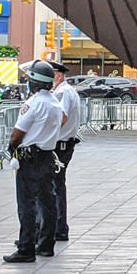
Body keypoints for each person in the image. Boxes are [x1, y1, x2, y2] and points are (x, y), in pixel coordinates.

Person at [3, 60, 66, 263]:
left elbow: (18, 133)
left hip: (30, 159)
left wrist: (11, 148)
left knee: (27, 204)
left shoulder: (33, 103)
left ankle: (26, 248)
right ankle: (46, 244)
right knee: (48, 202)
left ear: (35, 82)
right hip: (47, 156)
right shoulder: (56, 103)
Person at [51, 61, 81, 242]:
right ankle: (58, 227)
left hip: (59, 145)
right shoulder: (67, 91)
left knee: (54, 187)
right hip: (64, 144)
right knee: (57, 185)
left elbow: (61, 117)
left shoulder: (62, 92)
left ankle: (59, 228)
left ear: (59, 75)